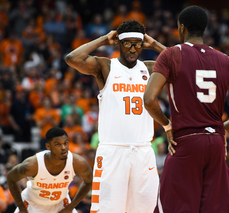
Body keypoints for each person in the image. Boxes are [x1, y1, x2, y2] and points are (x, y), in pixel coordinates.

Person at [143, 5, 229, 213]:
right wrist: (226, 127)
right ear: (204, 29)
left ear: (181, 28)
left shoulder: (170, 55)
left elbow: (149, 99)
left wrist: (167, 125)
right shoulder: (226, 60)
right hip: (215, 143)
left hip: (186, 142)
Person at [65, 19, 166, 213]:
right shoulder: (106, 66)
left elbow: (184, 65)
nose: (132, 49)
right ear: (119, 43)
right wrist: (103, 40)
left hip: (143, 151)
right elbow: (72, 58)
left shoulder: (151, 68)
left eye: (137, 44)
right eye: (127, 44)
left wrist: (154, 44)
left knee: (146, 209)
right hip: (112, 152)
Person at [7, 127, 93, 213]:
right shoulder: (33, 165)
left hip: (60, 204)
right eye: (58, 144)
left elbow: (89, 181)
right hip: (32, 203)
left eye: (66, 143)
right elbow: (11, 178)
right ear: (48, 146)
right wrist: (21, 208)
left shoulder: (77, 163)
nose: (63, 147)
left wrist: (71, 207)